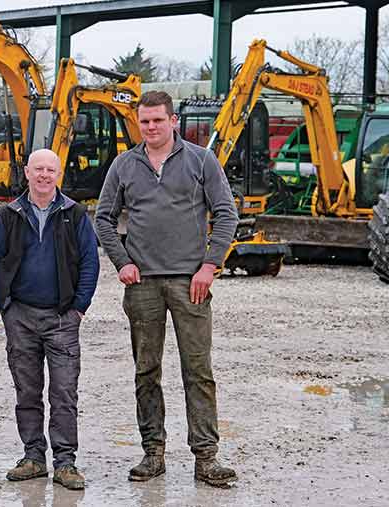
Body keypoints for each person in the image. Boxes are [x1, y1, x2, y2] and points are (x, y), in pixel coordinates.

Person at [93, 90, 239, 487]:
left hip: (190, 282)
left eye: (158, 120)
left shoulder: (201, 160)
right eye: (145, 121)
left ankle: (206, 458)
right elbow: (103, 218)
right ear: (138, 124)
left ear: (173, 120)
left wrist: (210, 265)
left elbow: (226, 212)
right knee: (147, 369)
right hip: (143, 286)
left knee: (198, 370)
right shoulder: (124, 165)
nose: (152, 127)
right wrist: (122, 262)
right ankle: (152, 453)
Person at [0, 149, 99, 490]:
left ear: (59, 173)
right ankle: (33, 456)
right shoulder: (10, 214)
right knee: (27, 391)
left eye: (51, 169)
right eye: (38, 169)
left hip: (63, 318)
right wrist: (4, 305)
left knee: (64, 393)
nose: (44, 175)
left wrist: (78, 308)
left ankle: (65, 462)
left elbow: (90, 263)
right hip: (20, 316)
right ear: (27, 172)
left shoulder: (75, 214)